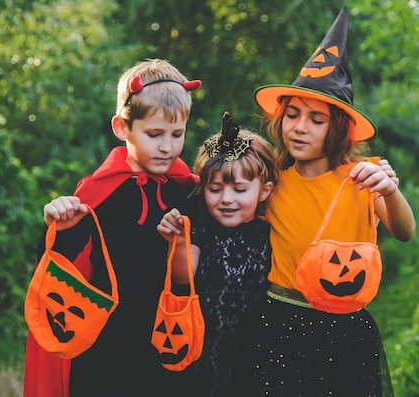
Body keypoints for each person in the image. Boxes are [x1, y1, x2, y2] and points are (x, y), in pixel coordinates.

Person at [249, 7, 416, 396]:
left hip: (343, 330)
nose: (300, 127)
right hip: (279, 324)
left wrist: (390, 191)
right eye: (292, 115)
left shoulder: (363, 176)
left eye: (316, 119)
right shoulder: (272, 183)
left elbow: (404, 231)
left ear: (337, 127)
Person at [23, 58, 202, 397]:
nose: (167, 146)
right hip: (106, 345)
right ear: (123, 128)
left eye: (177, 134)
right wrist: (57, 227)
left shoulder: (189, 191)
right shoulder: (98, 191)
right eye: (154, 134)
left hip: (166, 341)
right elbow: (58, 265)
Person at [157, 112, 276, 397]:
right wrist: (179, 243)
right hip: (204, 354)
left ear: (264, 190)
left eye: (240, 189)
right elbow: (183, 276)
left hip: (256, 355)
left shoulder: (271, 234)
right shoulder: (201, 229)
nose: (226, 199)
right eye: (215, 189)